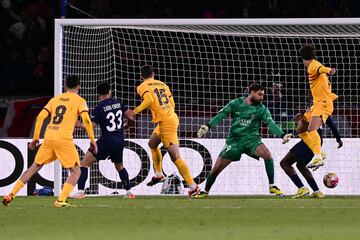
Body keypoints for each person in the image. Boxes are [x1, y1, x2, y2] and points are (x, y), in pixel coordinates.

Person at [2, 75, 97, 207]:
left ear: (65, 86)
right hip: (63, 138)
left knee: (34, 167)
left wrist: (35, 138)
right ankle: (61, 200)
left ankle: (11, 194)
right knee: (76, 171)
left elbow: (40, 117)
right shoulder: (80, 100)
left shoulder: (55, 99)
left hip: (49, 136)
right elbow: (86, 120)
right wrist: (92, 140)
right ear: (79, 87)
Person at [195, 83, 292, 198]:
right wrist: (208, 126)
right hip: (234, 141)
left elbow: (271, 123)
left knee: (267, 155)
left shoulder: (262, 109)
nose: (262, 98)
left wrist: (282, 135)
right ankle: (205, 191)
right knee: (216, 169)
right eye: (259, 94)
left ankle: (272, 185)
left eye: (263, 95)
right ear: (251, 92)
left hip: (252, 140)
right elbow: (221, 115)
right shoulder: (235, 103)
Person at [128, 65, 200, 197]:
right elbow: (172, 104)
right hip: (168, 118)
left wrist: (135, 111)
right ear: (153, 74)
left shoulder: (142, 86)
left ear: (141, 76)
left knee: (175, 157)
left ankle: (193, 186)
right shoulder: (163, 84)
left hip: (166, 122)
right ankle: (159, 174)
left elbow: (149, 100)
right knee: (152, 144)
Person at [71, 82, 135, 199]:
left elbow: (92, 127)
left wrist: (78, 124)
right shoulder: (118, 103)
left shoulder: (99, 108)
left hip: (107, 140)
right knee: (120, 166)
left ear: (98, 94)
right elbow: (131, 116)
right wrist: (126, 125)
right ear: (110, 91)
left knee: (84, 164)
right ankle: (129, 192)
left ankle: (80, 192)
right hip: (120, 139)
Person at [280, 113, 343, 198]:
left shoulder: (312, 109)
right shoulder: (324, 110)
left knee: (285, 163)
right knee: (301, 165)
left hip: (309, 140)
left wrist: (299, 119)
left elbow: (303, 127)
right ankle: (316, 191)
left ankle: (301, 188)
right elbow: (332, 126)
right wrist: (338, 140)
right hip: (317, 141)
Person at [298, 44, 337, 170]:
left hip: (324, 103)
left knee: (311, 129)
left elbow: (321, 69)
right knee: (301, 129)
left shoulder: (313, 66)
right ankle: (319, 152)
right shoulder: (314, 65)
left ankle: (318, 156)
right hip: (317, 103)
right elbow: (321, 70)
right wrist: (328, 71)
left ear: (303, 58)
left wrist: (329, 70)